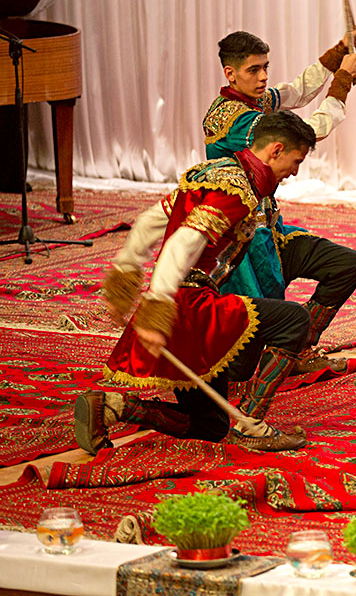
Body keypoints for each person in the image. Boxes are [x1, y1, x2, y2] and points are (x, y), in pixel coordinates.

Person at [74, 111, 321, 455]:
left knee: (210, 425)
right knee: (295, 318)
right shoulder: (237, 192)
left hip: (178, 305)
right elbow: (185, 241)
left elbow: (150, 222)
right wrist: (156, 306)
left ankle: (114, 407)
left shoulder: (215, 174)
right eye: (296, 161)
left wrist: (126, 272)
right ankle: (254, 425)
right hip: (191, 308)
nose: (294, 172)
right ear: (276, 150)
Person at [203, 30, 356, 374]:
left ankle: (299, 348)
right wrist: (342, 82)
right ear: (230, 73)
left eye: (265, 67)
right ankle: (271, 356)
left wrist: (339, 51)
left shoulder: (253, 102)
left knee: (345, 264)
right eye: (253, 70)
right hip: (242, 248)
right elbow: (303, 134)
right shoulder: (235, 118)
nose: (263, 77)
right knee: (241, 363)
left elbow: (296, 90)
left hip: (270, 234)